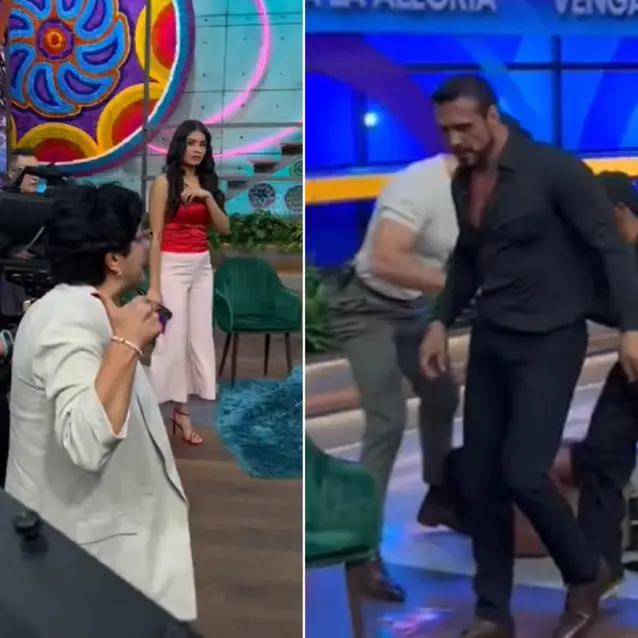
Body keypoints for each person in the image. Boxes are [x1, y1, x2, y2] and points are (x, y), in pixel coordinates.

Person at [420, 74, 638, 638]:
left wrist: (632, 327)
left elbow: (611, 248)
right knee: (482, 476)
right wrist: (440, 320)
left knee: (523, 472)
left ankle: (585, 575)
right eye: (445, 130)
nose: (456, 140)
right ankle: (492, 611)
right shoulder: (464, 181)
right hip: (493, 338)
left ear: (492, 116)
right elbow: (467, 259)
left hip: (551, 340)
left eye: (464, 127)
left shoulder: (556, 170)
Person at [5, 183, 197, 623]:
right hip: (86, 557)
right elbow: (87, 441)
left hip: (95, 543)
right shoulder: (68, 320)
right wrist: (126, 344)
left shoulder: (87, 307)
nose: (147, 244)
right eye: (141, 236)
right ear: (113, 259)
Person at [326, 153, 461, 602]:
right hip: (363, 304)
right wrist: (458, 289)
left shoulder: (483, 194)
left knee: (442, 391)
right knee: (387, 420)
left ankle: (439, 496)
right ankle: (362, 553)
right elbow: (385, 260)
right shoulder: (421, 185)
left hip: (412, 307)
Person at [573, 171, 638, 596]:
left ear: (619, 212)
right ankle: (600, 567)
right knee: (600, 454)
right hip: (632, 370)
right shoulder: (614, 257)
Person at [147, 119, 229, 445]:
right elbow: (156, 237)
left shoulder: (208, 182)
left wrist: (207, 198)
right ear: (180, 146)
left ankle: (183, 412)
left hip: (201, 266)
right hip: (172, 264)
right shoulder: (164, 183)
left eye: (202, 144)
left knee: (198, 338)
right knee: (171, 340)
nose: (197, 150)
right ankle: (153, 411)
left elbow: (223, 228)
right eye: (191, 143)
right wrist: (154, 286)